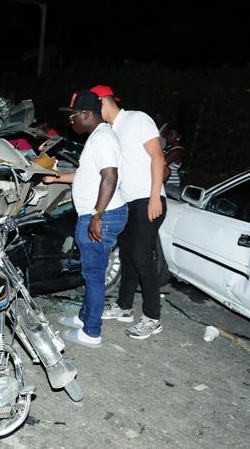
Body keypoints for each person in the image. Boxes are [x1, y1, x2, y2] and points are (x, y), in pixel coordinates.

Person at [42, 90, 127, 348]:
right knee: (91, 272)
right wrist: (57, 178)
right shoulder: (97, 137)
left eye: (73, 116)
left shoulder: (102, 139)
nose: (71, 121)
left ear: (87, 114)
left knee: (93, 275)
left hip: (103, 214)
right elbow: (86, 174)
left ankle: (92, 332)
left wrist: (96, 215)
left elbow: (109, 177)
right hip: (100, 213)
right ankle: (85, 317)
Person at [92, 85, 167, 340]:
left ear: (102, 101)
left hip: (148, 197)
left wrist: (155, 197)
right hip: (128, 203)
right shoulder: (110, 132)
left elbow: (158, 157)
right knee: (127, 256)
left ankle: (152, 318)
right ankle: (124, 307)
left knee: (141, 256)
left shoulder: (137, 119)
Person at [163, 127, 185, 199]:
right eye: (169, 134)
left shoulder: (177, 151)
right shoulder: (169, 148)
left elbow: (162, 163)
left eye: (172, 134)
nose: (169, 136)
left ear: (178, 137)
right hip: (166, 180)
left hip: (170, 182)